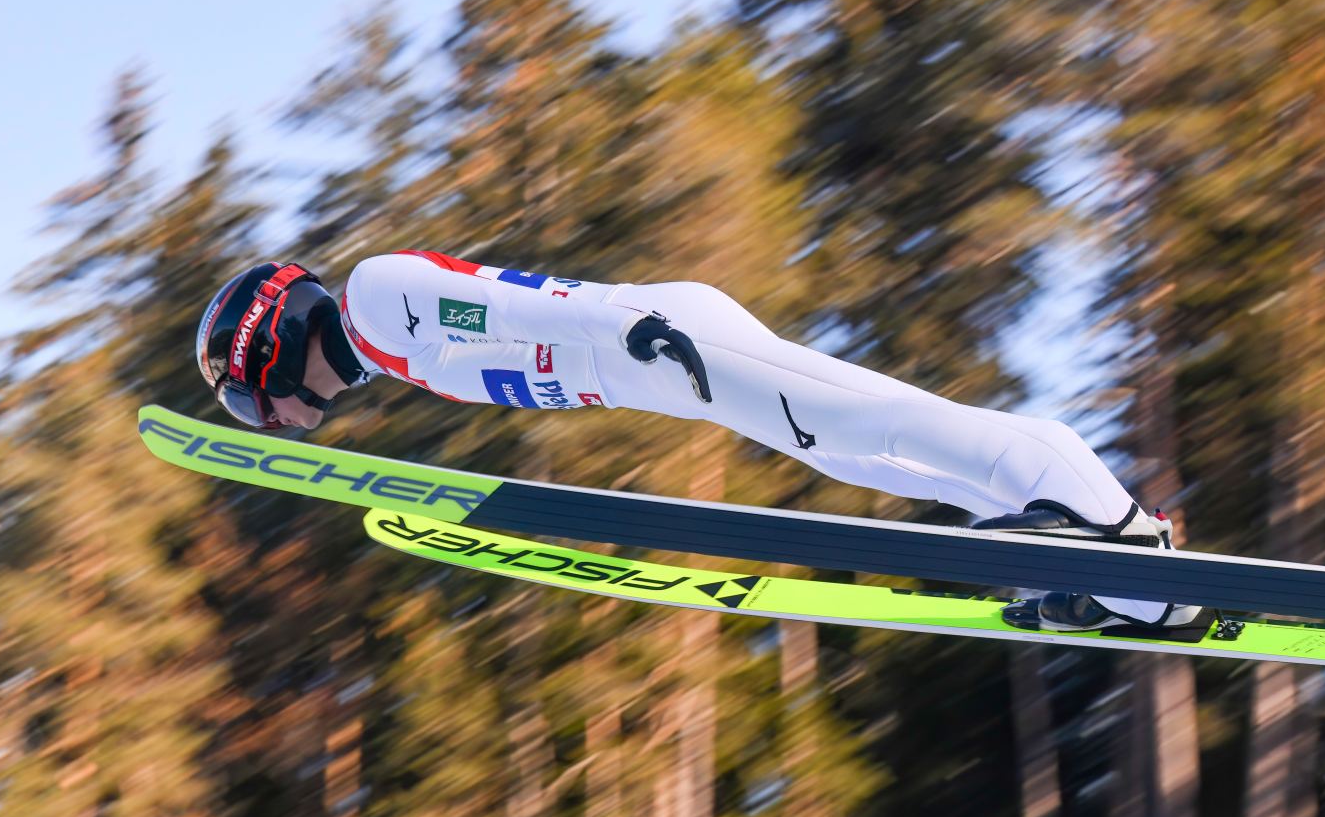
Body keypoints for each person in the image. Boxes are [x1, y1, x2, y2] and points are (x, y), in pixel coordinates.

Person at [194, 250, 1200, 632]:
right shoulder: (382, 350)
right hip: (667, 373)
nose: (266, 419)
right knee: (863, 456)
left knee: (879, 425)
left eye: (250, 403)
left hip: (667, 348)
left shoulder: (377, 302)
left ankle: (1129, 550)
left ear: (264, 347)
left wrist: (633, 330)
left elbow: (493, 304)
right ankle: (1082, 560)